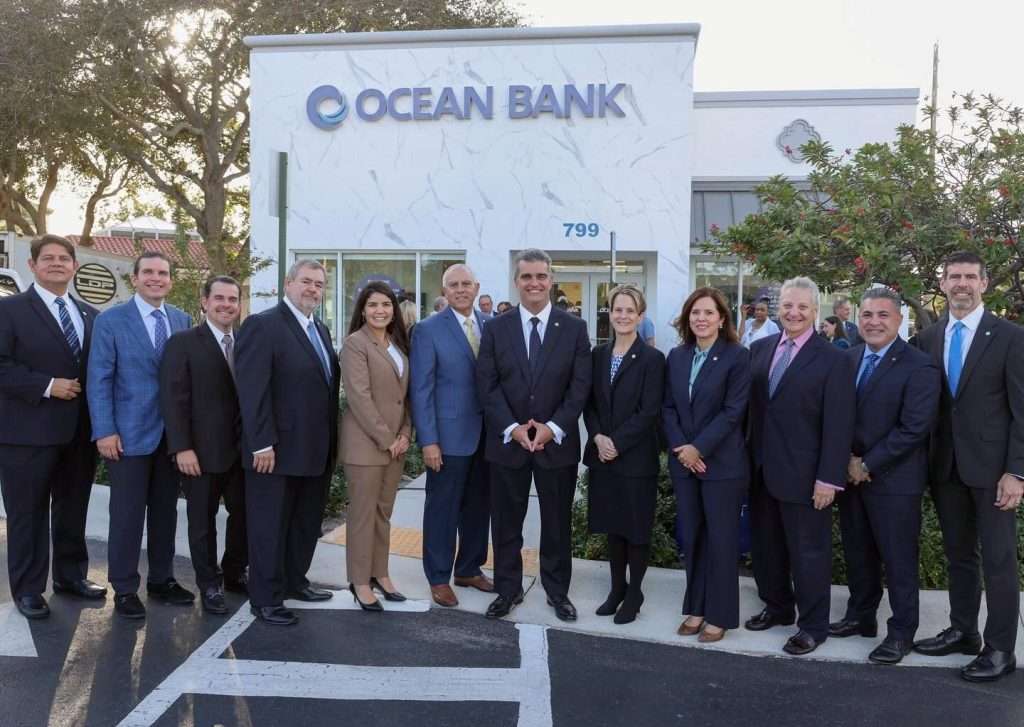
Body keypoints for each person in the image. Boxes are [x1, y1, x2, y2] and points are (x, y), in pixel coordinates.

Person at [912, 251, 1023, 682]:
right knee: (960, 556)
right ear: (942, 284)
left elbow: (1022, 409)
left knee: (998, 561)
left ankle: (1000, 649)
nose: (961, 283)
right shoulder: (928, 337)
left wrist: (1017, 471)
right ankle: (963, 632)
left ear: (984, 283)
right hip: (947, 468)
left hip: (996, 472)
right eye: (953, 276)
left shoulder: (1011, 337)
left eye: (969, 277)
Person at [477, 248, 591, 622]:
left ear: (551, 280)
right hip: (508, 444)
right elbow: (487, 385)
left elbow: (580, 385)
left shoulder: (574, 328)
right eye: (527, 277)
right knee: (506, 523)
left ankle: (557, 592)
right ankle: (507, 590)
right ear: (517, 281)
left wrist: (552, 427)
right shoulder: (496, 328)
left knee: (557, 524)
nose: (534, 283)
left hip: (555, 444)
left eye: (541, 276)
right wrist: (511, 428)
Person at [744, 276, 856, 655]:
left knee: (808, 554)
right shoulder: (759, 350)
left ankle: (813, 626)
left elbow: (839, 425)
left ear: (814, 312)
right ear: (779, 309)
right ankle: (777, 608)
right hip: (760, 471)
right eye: (788, 306)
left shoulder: (834, 359)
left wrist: (829, 478)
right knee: (766, 548)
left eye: (802, 307)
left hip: (808, 477)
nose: (793, 313)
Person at [830, 287, 940, 665]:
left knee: (898, 560)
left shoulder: (919, 365)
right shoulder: (846, 359)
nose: (873, 322)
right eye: (867, 315)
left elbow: (914, 428)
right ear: (857, 318)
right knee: (858, 553)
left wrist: (867, 463)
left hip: (894, 481)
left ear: (898, 320)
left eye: (882, 315)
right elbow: (835, 416)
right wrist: (845, 459)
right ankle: (861, 618)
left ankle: (901, 633)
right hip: (850, 476)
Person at [0, 235, 105, 620]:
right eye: (48, 258)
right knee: (27, 512)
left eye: (64, 258)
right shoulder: (9, 310)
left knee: (72, 508)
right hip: (26, 433)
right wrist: (46, 385)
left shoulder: (91, 314)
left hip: (79, 433)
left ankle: (71, 577)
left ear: (74, 266)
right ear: (33, 266)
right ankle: (28, 589)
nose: (57, 263)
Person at [87, 251, 194, 619]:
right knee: (127, 515)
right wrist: (104, 430)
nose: (156, 278)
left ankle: (162, 580)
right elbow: (99, 379)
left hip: (172, 439)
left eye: (162, 273)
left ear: (170, 280)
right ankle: (125, 587)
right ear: (135, 278)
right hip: (127, 436)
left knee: (165, 513)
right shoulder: (112, 321)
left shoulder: (182, 320)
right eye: (148, 272)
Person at [235, 259, 340, 626]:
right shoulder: (262, 326)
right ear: (288, 283)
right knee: (269, 527)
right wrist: (261, 443)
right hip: (274, 453)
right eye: (306, 282)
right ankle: (264, 598)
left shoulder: (320, 330)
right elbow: (252, 392)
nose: (313, 289)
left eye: (319, 284)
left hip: (315, 451)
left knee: (305, 523)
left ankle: (295, 581)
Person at [664, 287, 750, 642]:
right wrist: (683, 449)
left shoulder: (737, 356)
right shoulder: (677, 355)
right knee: (694, 539)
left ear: (722, 319)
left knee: (721, 540)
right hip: (685, 464)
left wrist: (699, 448)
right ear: (687, 318)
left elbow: (733, 412)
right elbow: (667, 407)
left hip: (721, 465)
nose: (701, 318)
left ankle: (721, 615)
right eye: (695, 313)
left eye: (708, 313)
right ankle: (696, 608)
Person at [159, 276, 248, 616]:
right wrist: (181, 447)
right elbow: (173, 399)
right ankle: (208, 583)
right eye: (220, 298)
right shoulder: (183, 343)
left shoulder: (245, 342)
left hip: (242, 453)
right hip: (200, 453)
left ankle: (235, 571)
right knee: (202, 523)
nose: (226, 304)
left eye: (233, 299)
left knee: (245, 516)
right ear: (205, 302)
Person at [410, 265, 493, 607]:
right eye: (453, 285)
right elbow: (421, 388)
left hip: (488, 436)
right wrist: (428, 440)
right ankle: (439, 576)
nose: (461, 289)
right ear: (445, 290)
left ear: (477, 287)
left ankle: (469, 568)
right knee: (442, 509)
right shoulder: (427, 330)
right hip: (446, 437)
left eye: (466, 284)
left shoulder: (493, 326)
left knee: (478, 507)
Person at [583, 284, 664, 624]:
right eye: (618, 310)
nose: (623, 316)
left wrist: (616, 442)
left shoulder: (652, 359)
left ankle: (635, 593)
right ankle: (617, 588)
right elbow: (589, 403)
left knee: (635, 530)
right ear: (609, 313)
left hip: (634, 459)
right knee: (613, 528)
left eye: (630, 310)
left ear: (640, 316)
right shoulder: (598, 356)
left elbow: (649, 411)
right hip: (604, 457)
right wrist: (599, 437)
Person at [340, 281, 412, 611]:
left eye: (386, 304)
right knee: (362, 515)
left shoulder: (399, 343)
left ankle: (380, 574)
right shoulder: (355, 344)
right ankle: (358, 581)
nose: (380, 310)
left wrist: (405, 435)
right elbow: (359, 397)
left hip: (395, 445)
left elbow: (405, 396)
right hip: (367, 445)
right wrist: (388, 439)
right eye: (373, 305)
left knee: (383, 514)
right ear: (363, 310)